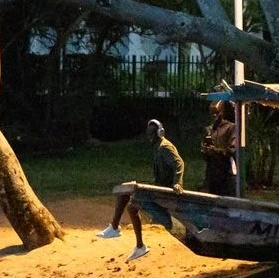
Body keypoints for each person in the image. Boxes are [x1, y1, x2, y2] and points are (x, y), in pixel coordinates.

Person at [99, 119, 185, 258]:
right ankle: (121, 233)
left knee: (131, 204)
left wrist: (178, 183)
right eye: (149, 135)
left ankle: (131, 240)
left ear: (159, 133)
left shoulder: (165, 147)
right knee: (126, 193)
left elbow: (179, 164)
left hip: (165, 191)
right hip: (159, 187)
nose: (150, 137)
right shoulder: (158, 147)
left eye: (152, 134)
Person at [200, 105, 239, 196]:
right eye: (212, 113)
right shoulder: (209, 129)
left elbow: (232, 150)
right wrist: (206, 150)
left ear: (222, 112)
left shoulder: (231, 127)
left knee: (227, 200)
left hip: (226, 172)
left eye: (217, 112)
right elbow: (203, 151)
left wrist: (216, 151)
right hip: (212, 172)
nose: (214, 115)